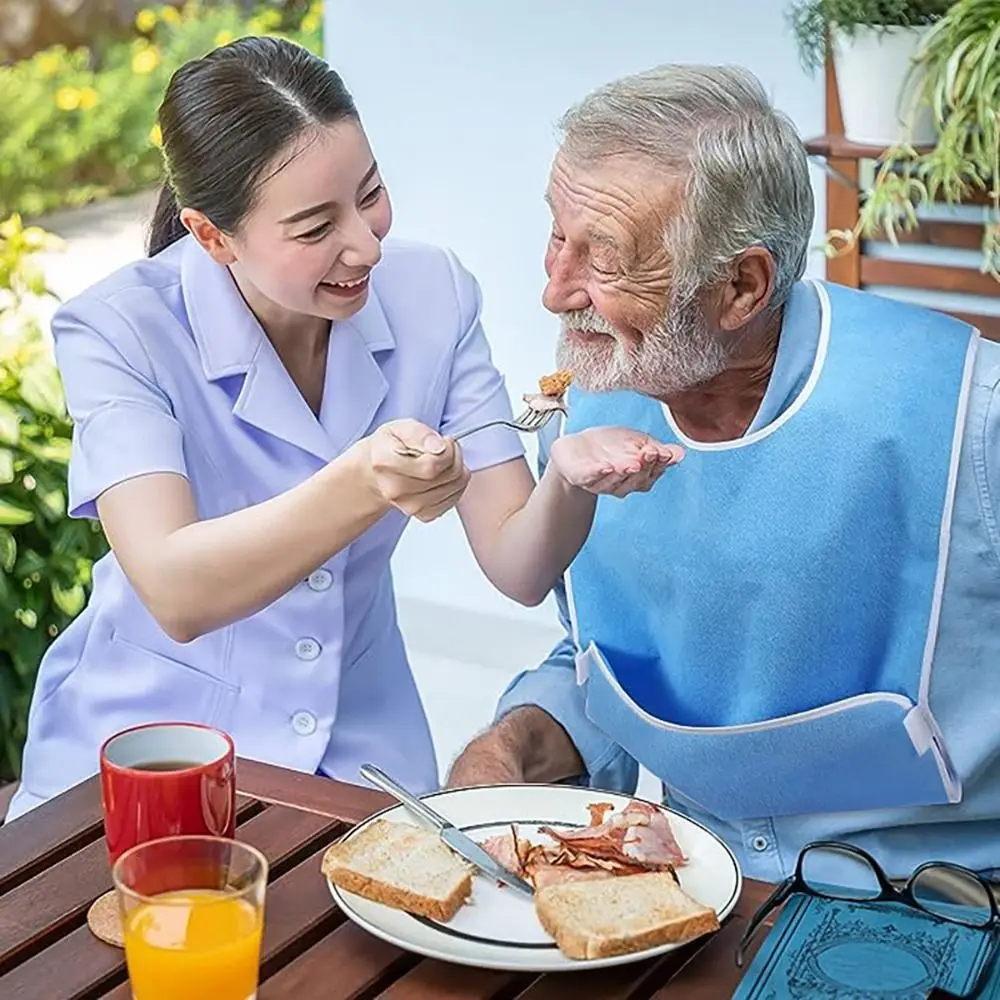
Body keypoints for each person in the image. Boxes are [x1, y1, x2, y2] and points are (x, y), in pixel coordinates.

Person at [4, 38, 683, 822]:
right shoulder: (119, 328)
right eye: (314, 226)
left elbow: (518, 564)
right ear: (212, 235)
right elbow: (175, 591)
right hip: (152, 747)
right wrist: (361, 482)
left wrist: (568, 478)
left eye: (370, 194)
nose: (365, 244)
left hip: (360, 756)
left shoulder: (435, 293)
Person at [447, 64, 1000, 888]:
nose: (553, 291)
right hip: (694, 889)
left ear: (742, 286)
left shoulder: (975, 417)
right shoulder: (589, 409)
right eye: (558, 237)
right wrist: (517, 739)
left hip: (943, 905)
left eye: (604, 260)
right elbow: (604, 647)